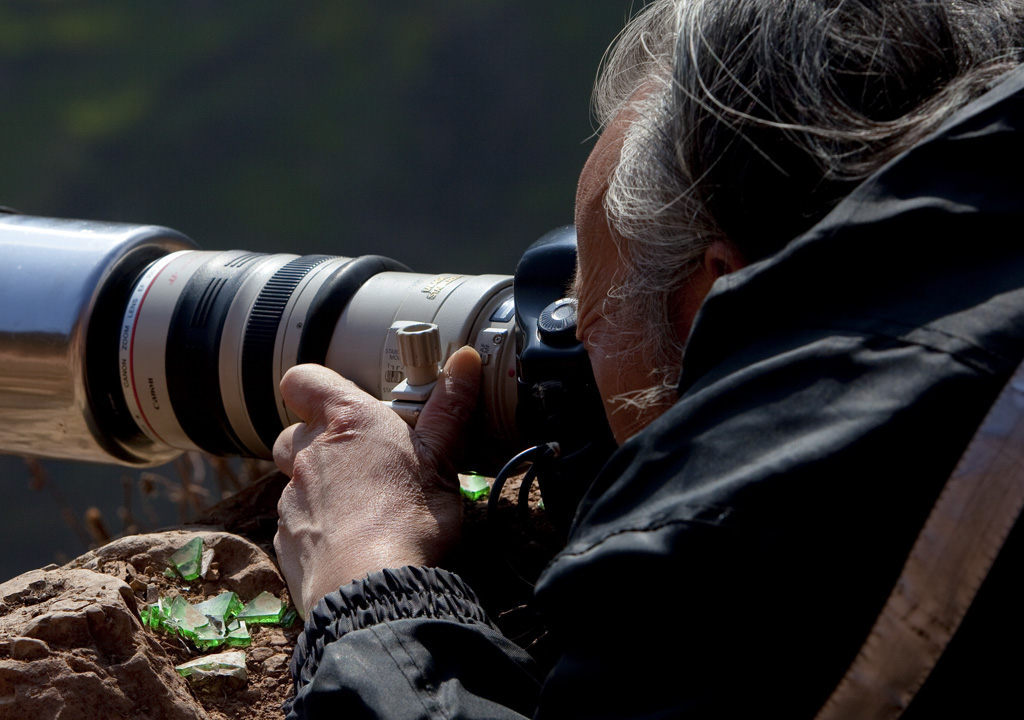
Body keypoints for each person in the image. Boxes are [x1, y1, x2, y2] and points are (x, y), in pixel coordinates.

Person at [273, 1, 1024, 717]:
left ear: (711, 301)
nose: (560, 358)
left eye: (585, 318)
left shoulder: (759, 536)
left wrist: (370, 581)